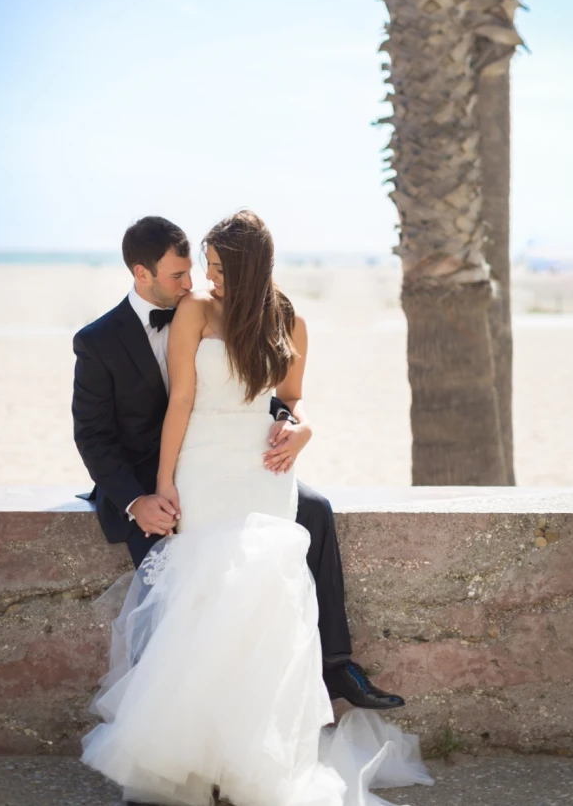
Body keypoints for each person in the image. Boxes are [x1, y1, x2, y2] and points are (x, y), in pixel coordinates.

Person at [80, 210, 433, 806]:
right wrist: (163, 485)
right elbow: (181, 403)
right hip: (201, 470)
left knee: (265, 610)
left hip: (263, 476)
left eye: (215, 268)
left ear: (247, 268)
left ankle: (256, 759)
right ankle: (194, 758)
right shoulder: (193, 313)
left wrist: (303, 431)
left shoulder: (291, 321)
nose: (203, 279)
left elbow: (289, 401)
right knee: (201, 606)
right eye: (198, 267)